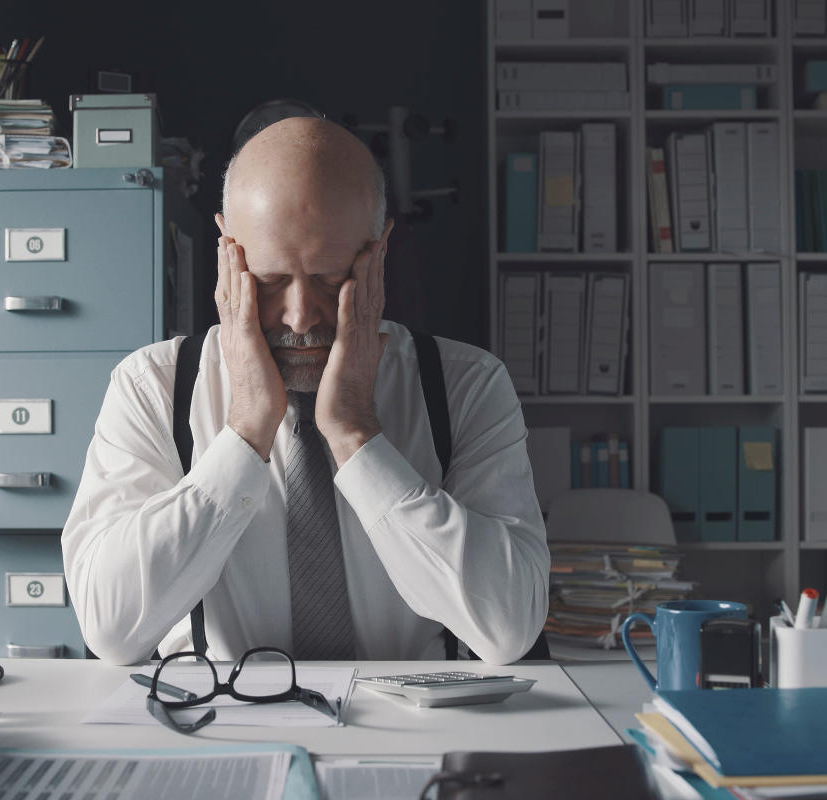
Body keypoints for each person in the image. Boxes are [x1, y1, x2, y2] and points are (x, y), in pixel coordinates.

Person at [62, 117, 549, 666]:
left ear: (380, 251)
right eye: (269, 283)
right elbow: (110, 630)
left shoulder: (467, 386)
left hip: (417, 730)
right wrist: (245, 431)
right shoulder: (152, 386)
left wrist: (356, 435)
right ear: (228, 251)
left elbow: (509, 629)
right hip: (223, 728)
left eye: (330, 279)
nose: (299, 317)